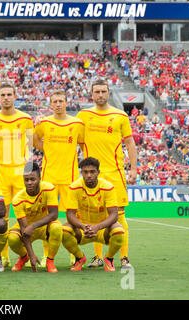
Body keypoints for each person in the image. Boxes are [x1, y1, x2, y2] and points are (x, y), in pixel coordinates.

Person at [76, 79, 137, 269]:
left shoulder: (120, 116)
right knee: (95, 217)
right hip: (91, 175)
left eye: (103, 91)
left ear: (108, 92)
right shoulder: (83, 115)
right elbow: (72, 138)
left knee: (119, 216)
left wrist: (133, 168)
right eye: (97, 91)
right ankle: (98, 257)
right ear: (91, 94)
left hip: (115, 173)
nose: (100, 94)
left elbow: (130, 143)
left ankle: (124, 257)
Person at [0, 82, 34, 268]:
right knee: (1, 218)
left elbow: (31, 145)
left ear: (15, 96)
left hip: (20, 172)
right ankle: (1, 256)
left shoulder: (26, 119)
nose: (6, 97)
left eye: (9, 94)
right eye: (2, 94)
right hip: (0, 173)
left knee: (26, 217)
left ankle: (29, 255)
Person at [34, 89, 84, 266]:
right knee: (48, 219)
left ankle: (74, 254)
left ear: (66, 102)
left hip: (70, 178)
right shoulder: (44, 123)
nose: (58, 104)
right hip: (49, 178)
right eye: (54, 101)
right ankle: (47, 256)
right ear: (50, 104)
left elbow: (83, 145)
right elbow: (34, 140)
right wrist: (46, 149)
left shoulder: (77, 124)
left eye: (61, 101)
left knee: (73, 218)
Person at [62, 157, 125, 272]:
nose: (89, 175)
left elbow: (114, 215)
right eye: (85, 172)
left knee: (119, 230)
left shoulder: (107, 187)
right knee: (64, 231)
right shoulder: (74, 187)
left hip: (103, 230)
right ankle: (79, 258)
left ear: (98, 172)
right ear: (81, 172)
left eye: (92, 172)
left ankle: (109, 259)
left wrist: (97, 227)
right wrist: (82, 226)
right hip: (83, 230)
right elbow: (70, 214)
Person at [8, 161, 62, 273]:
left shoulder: (48, 188)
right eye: (26, 180)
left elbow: (54, 214)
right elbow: (24, 228)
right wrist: (31, 255)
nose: (29, 183)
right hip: (27, 228)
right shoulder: (18, 199)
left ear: (40, 178)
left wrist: (33, 226)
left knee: (57, 228)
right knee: (12, 238)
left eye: (33, 179)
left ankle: (50, 261)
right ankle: (24, 257)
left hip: (43, 226)